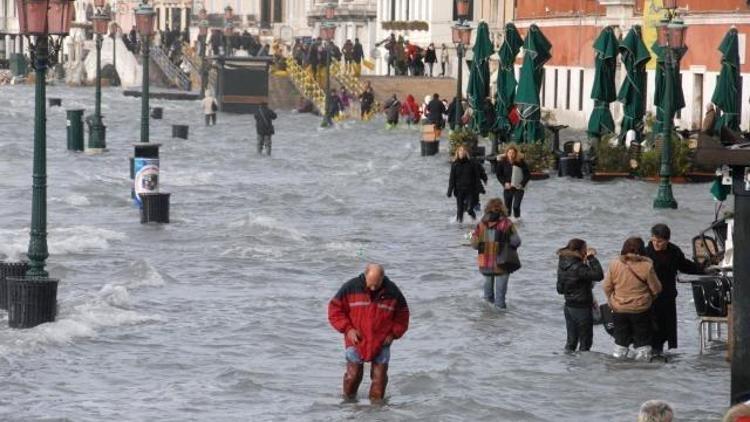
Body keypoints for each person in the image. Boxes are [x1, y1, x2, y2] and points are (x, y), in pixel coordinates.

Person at [328, 264, 410, 402]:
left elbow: (403, 315)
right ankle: (349, 407)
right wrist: (348, 329)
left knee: (380, 380)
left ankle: (377, 412)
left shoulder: (393, 291)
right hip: (356, 340)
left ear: (382, 278)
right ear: (365, 276)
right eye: (370, 285)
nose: (373, 288)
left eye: (376, 285)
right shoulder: (350, 287)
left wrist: (393, 334)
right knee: (353, 376)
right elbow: (334, 310)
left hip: (382, 341)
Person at [645, 223, 705, 356]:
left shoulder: (674, 251)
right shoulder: (646, 252)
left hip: (668, 294)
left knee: (666, 326)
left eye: (659, 241)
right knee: (652, 326)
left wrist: (703, 269)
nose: (656, 243)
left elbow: (685, 265)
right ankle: (652, 352)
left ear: (667, 240)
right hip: (650, 296)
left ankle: (658, 353)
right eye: (654, 240)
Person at [602, 237, 662, 361]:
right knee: (643, 343)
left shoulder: (615, 264)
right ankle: (640, 371)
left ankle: (619, 367)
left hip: (619, 309)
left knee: (620, 342)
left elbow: (606, 286)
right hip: (641, 309)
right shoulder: (647, 266)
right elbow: (657, 289)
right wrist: (650, 298)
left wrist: (611, 300)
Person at [470, 198, 521, 310]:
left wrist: (477, 239)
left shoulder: (481, 224)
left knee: (487, 299)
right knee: (500, 301)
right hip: (502, 263)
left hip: (485, 263)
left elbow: (474, 244)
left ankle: (488, 324)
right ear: (502, 208)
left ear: (487, 208)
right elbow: (517, 241)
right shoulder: (507, 223)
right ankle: (501, 325)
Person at [556, 238, 604, 352]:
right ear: (579, 250)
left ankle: (569, 366)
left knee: (571, 341)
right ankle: (583, 368)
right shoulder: (578, 266)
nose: (586, 251)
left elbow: (560, 289)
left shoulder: (562, 263)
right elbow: (599, 275)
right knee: (585, 342)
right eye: (585, 249)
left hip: (568, 305)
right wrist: (592, 258)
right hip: (582, 307)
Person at [447, 145, 482, 223]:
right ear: (458, 152)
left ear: (466, 153)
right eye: (460, 150)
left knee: (469, 209)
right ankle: (459, 227)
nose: (462, 152)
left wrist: (480, 188)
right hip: (459, 191)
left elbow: (476, 177)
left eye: (463, 150)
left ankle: (476, 222)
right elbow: (452, 179)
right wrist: (449, 190)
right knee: (460, 211)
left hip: (470, 190)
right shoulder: (455, 164)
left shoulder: (471, 164)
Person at [496, 146, 530, 221]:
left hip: (519, 188)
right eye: (509, 153)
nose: (511, 155)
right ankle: (508, 225)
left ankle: (518, 221)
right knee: (507, 210)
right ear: (507, 153)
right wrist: (504, 183)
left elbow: (528, 175)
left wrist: (522, 184)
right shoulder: (502, 163)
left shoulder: (520, 162)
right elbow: (498, 175)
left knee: (516, 206)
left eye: (513, 153)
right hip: (508, 188)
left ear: (515, 154)